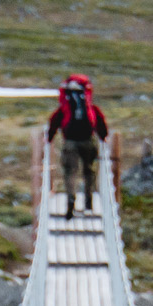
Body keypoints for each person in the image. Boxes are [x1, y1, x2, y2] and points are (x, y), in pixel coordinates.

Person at [46, 73, 109, 212]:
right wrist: (103, 136)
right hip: (88, 140)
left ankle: (70, 198)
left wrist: (49, 138)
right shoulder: (89, 104)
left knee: (70, 171)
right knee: (89, 171)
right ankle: (88, 201)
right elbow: (99, 121)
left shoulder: (65, 105)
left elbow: (55, 120)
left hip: (70, 142)